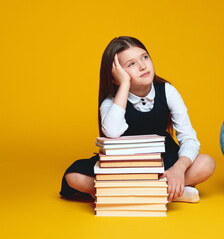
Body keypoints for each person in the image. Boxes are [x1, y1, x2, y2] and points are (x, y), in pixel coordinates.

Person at [60, 36, 215, 203]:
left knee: (206, 163)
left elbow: (189, 139)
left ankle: (124, 193)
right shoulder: (111, 101)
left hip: (162, 160)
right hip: (123, 165)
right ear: (115, 76)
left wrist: (178, 169)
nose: (142, 66)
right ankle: (165, 191)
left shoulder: (167, 91)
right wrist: (124, 85)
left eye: (145, 57)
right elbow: (112, 132)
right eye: (131, 64)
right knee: (73, 177)